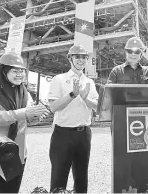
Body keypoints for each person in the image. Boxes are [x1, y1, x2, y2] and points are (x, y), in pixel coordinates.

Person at [0, 52, 49, 193]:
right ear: (4, 72)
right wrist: (24, 113)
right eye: (15, 71)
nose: (19, 74)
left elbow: (25, 120)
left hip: (15, 154)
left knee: (9, 191)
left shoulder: (26, 95)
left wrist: (36, 116)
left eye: (22, 71)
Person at [48, 45, 99, 193]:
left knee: (81, 177)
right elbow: (53, 107)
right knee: (59, 177)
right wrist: (72, 95)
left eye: (84, 57)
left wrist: (85, 98)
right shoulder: (59, 79)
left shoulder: (90, 82)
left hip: (84, 134)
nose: (81, 60)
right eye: (77, 57)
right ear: (70, 58)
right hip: (63, 134)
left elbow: (97, 107)